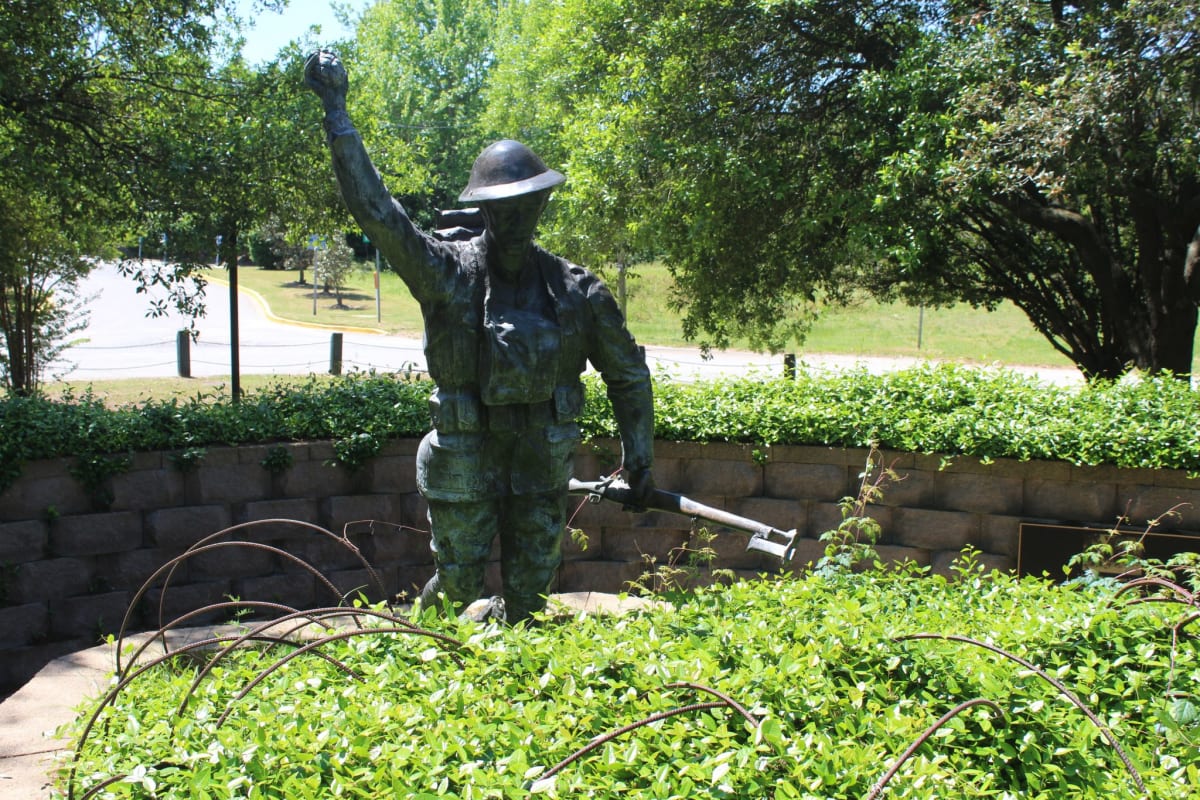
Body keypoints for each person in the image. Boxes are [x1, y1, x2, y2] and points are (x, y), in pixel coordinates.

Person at [304, 51, 655, 623]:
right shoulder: (448, 275)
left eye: (526, 204)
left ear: (542, 203)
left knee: (531, 593)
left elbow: (627, 374)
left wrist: (638, 455)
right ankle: (423, 655)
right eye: (502, 207)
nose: (515, 217)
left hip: (541, 457)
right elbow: (380, 217)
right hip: (466, 452)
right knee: (458, 589)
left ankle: (516, 696)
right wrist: (338, 116)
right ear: (484, 209)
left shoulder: (577, 291)